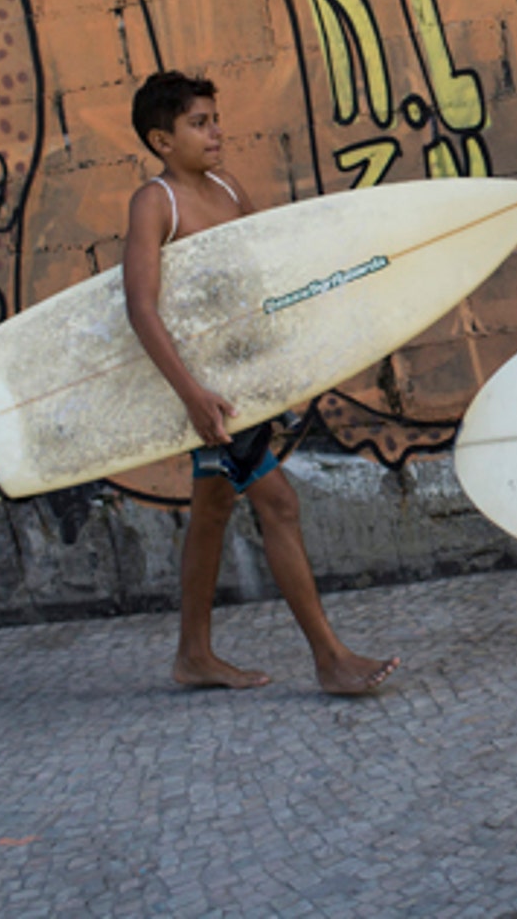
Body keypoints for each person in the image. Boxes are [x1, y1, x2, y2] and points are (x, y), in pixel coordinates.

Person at [122, 70, 398, 696]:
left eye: (215, 118)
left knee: (213, 509)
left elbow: (261, 283)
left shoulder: (226, 187)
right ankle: (329, 659)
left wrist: (288, 372)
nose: (215, 131)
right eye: (199, 123)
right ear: (162, 140)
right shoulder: (156, 202)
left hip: (245, 385)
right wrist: (191, 395)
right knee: (279, 503)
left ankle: (193, 655)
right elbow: (141, 307)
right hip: (209, 396)